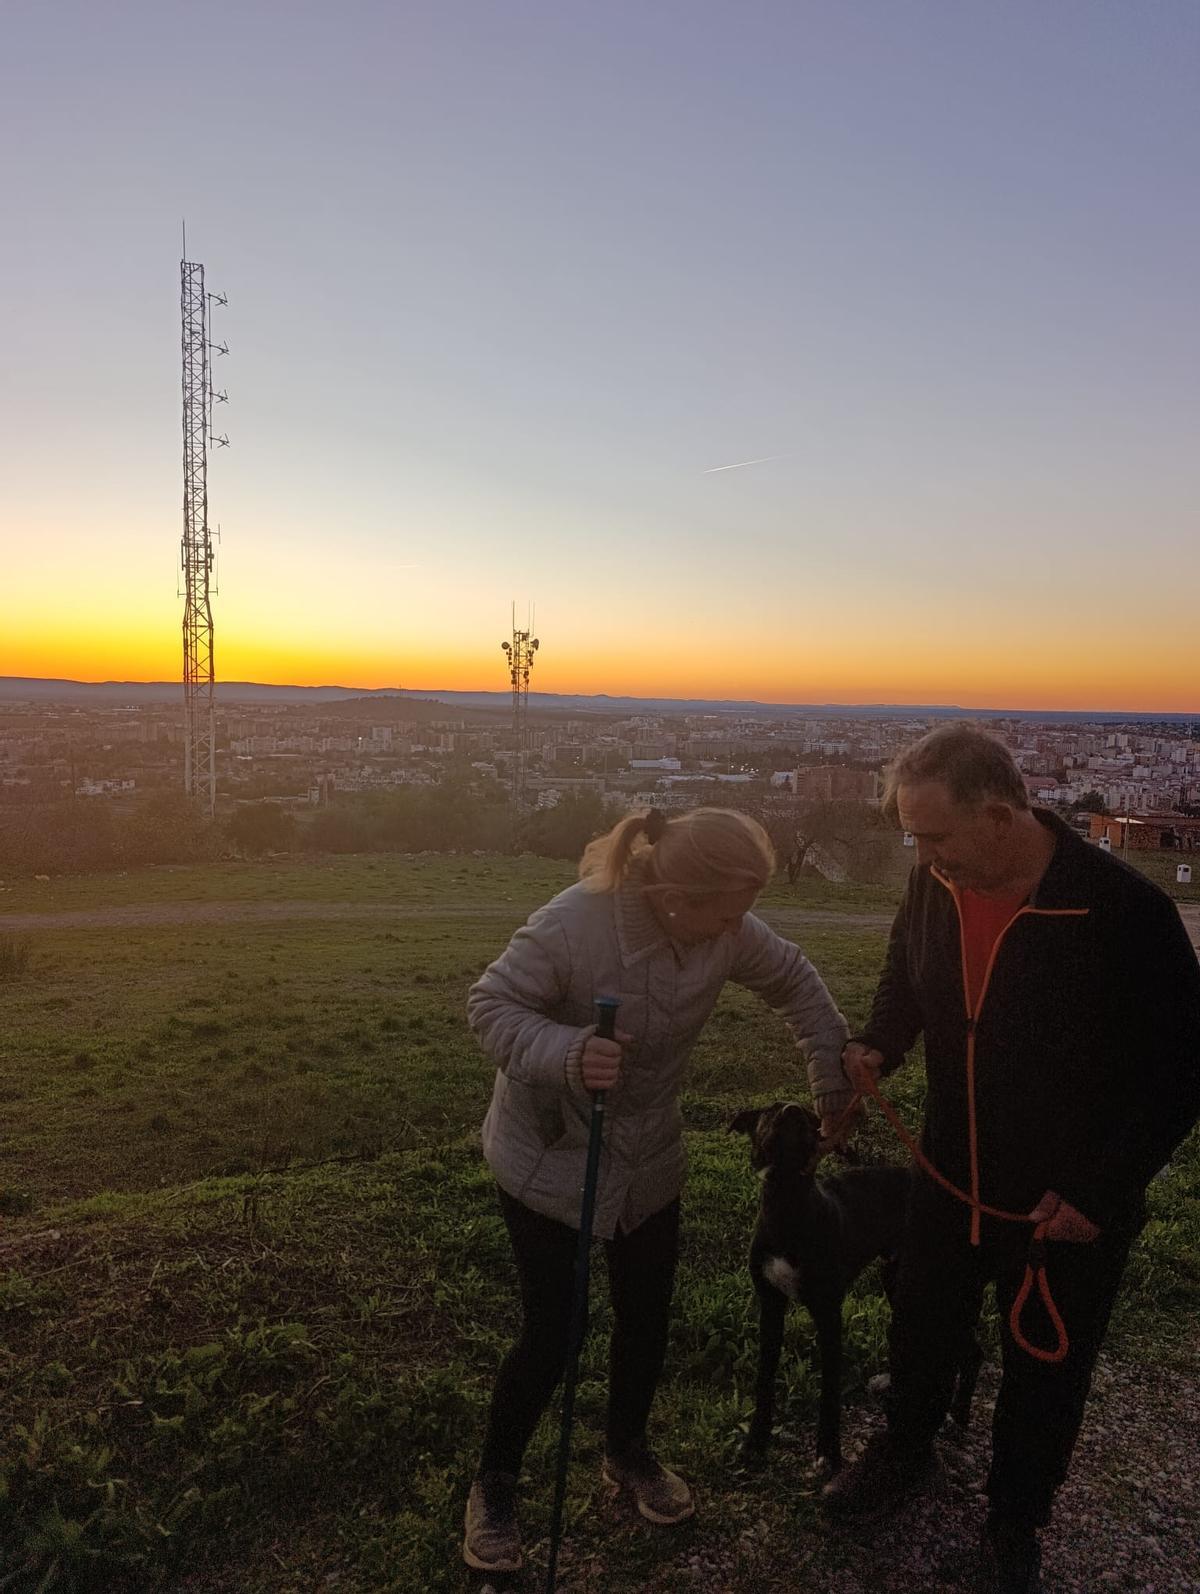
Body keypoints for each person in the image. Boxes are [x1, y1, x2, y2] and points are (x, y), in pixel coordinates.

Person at [823, 725, 1200, 1594]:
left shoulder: (1122, 911)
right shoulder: (934, 884)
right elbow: (902, 976)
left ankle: (1015, 1519)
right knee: (920, 1324)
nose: (921, 854)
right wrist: (882, 1042)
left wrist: (1098, 1191)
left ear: (1000, 814)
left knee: (1047, 1367)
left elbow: (1182, 1071)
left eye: (935, 836)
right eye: (913, 837)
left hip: (1065, 1201)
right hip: (951, 1173)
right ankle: (903, 1453)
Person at [461, 805, 852, 1575]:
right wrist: (570, 1051)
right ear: (675, 893)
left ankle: (627, 1451)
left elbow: (797, 985)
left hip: (648, 1153)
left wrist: (832, 1082)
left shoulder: (727, 927)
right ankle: (495, 1485)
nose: (741, 925)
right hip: (549, 1153)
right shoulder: (574, 923)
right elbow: (489, 1007)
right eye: (729, 909)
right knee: (555, 1331)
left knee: (646, 1315)